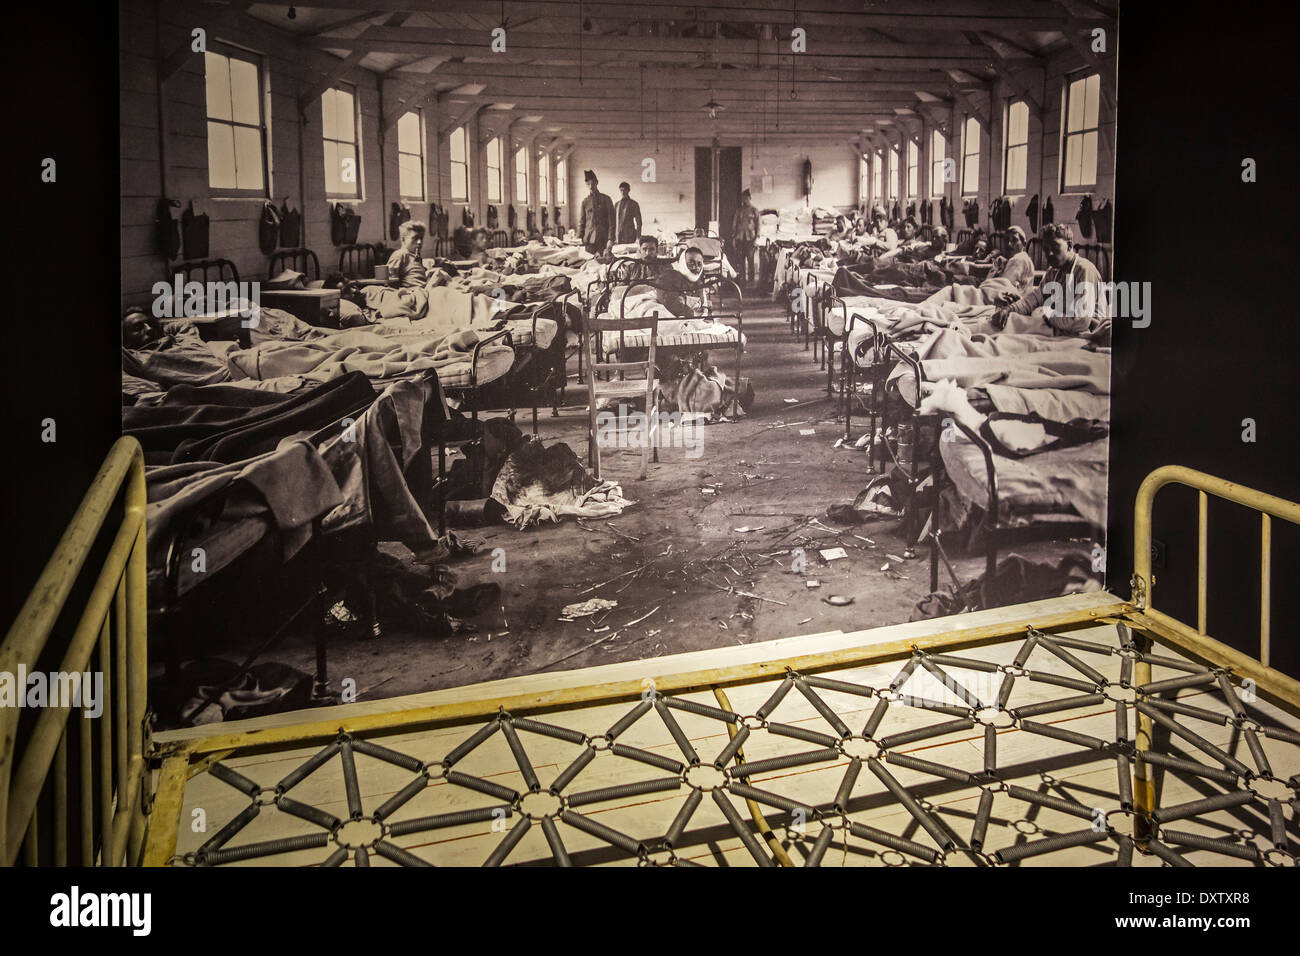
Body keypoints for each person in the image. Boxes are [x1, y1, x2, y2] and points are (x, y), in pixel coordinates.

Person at [992, 223, 1108, 335]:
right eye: (1046, 249)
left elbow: (1080, 321)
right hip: (1063, 328)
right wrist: (1008, 310)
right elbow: (1033, 299)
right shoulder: (1053, 271)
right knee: (1008, 327)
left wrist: (1047, 315)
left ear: (1069, 246)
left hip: (1090, 333)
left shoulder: (1084, 270)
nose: (1049, 253)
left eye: (1055, 247)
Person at [987, 225, 1035, 296]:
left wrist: (996, 269)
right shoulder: (1023, 259)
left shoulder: (1019, 259)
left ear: (1024, 244)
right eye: (1007, 240)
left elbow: (1002, 285)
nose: (1009, 244)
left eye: (1014, 240)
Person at [579, 170, 615, 258]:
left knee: (603, 263)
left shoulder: (606, 199)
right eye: (588, 184)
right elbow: (582, 222)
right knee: (589, 263)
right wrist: (579, 238)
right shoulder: (585, 202)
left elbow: (612, 221)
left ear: (597, 183)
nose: (590, 186)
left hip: (603, 239)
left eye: (592, 184)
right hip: (588, 240)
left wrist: (610, 239)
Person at [730, 189, 760, 288]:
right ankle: (742, 280)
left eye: (746, 198)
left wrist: (756, 238)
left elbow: (758, 226)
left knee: (750, 260)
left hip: (750, 239)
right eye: (743, 198)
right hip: (740, 238)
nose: (744, 200)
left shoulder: (754, 210)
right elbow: (734, 224)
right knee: (740, 260)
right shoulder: (739, 211)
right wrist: (734, 237)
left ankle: (751, 281)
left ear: (750, 198)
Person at [614, 182, 642, 246]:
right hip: (618, 236)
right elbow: (613, 222)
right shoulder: (617, 204)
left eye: (624, 190)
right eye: (621, 190)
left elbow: (639, 222)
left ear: (628, 190)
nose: (623, 192)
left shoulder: (633, 204)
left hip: (630, 236)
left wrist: (638, 237)